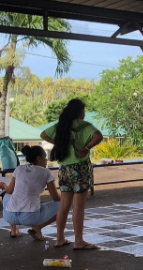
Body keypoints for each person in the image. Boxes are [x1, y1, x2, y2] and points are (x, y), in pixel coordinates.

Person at [41, 98, 103, 249]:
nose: (84, 114)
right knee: (79, 207)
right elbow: (98, 136)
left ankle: (60, 238)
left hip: (64, 169)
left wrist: (59, 143)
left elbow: (44, 134)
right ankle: (79, 241)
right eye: (83, 111)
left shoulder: (61, 126)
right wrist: (86, 148)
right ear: (80, 112)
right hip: (80, 168)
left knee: (64, 205)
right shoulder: (83, 126)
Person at [0, 145, 60, 241]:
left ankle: (13, 230)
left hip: (9, 216)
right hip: (30, 217)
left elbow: (9, 190)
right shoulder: (46, 172)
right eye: (45, 157)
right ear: (39, 158)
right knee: (63, 205)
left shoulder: (19, 169)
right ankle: (38, 228)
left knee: (9, 196)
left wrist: (3, 186)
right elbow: (56, 198)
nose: (46, 161)